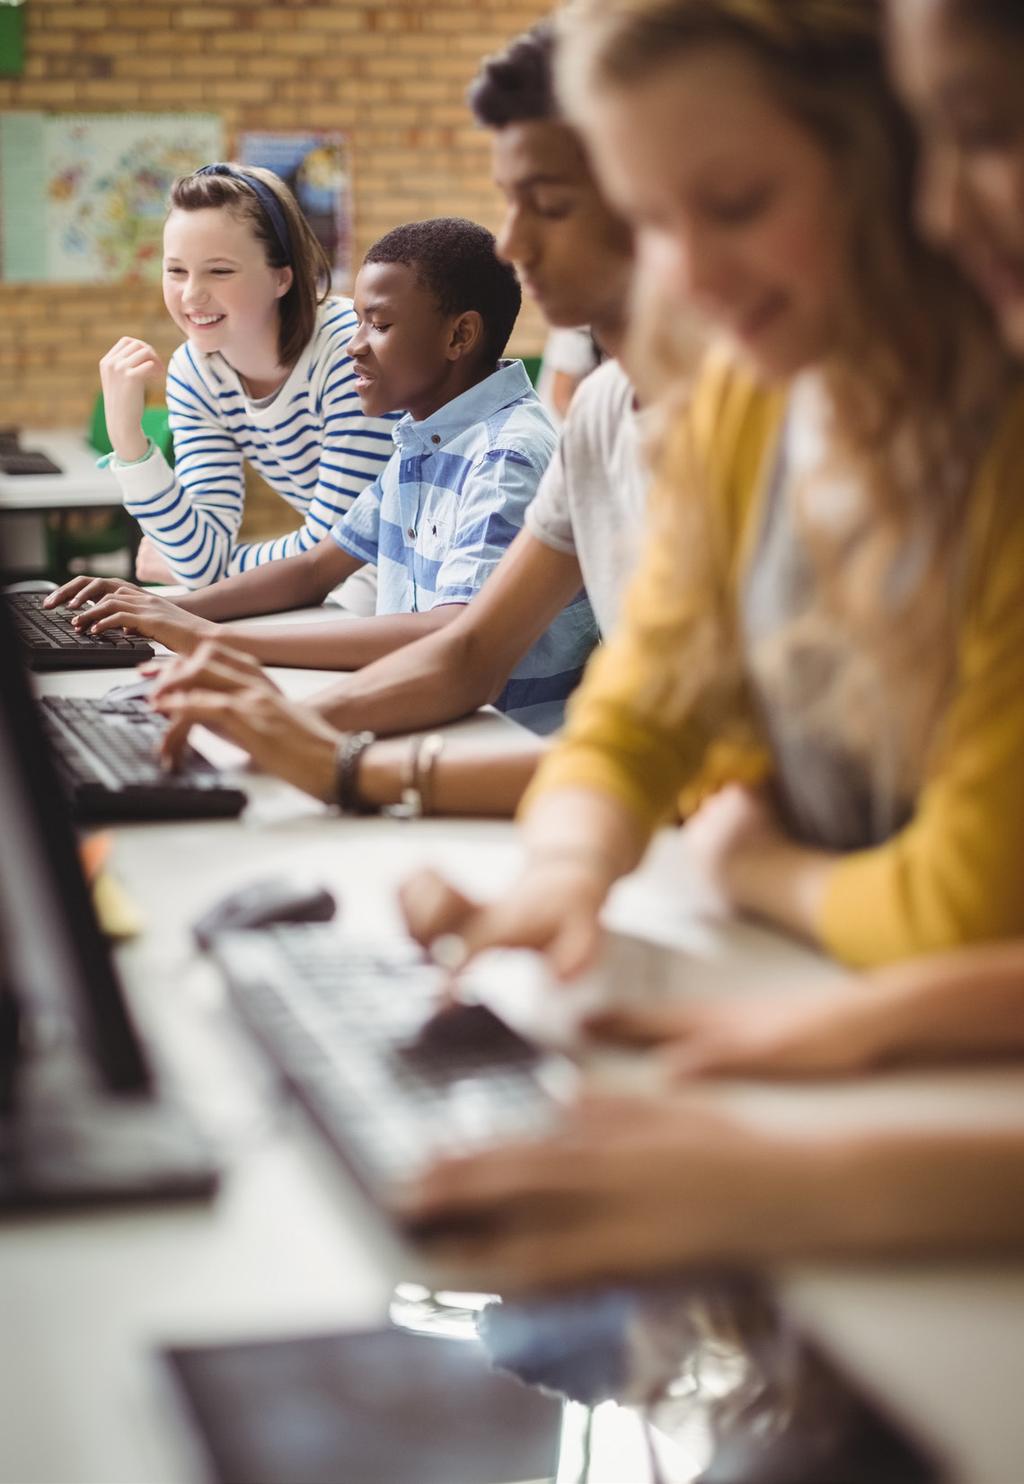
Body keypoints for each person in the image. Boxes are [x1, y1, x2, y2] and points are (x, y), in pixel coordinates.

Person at [390, 0, 1024, 1290]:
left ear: (882, 157)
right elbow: (644, 701)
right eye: (655, 220)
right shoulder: (746, 394)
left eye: (733, 204)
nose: (687, 273)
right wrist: (564, 871)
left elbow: (971, 900)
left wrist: (758, 868)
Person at [138, 25, 648, 803]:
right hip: (502, 759)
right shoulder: (586, 416)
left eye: (546, 205)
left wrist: (233, 655)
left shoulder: (517, 446)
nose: (511, 241)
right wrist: (239, 679)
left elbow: (459, 643)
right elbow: (462, 646)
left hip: (520, 762)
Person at [47, 218, 597, 735]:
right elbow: (315, 567)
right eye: (357, 321)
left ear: (459, 337)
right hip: (436, 715)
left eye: (378, 325)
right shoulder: (423, 438)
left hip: (505, 739)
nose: (356, 345)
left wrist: (216, 640)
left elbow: (450, 630)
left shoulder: (506, 457)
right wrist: (167, 610)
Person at [95, 163, 395, 608]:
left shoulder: (348, 351)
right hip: (357, 580)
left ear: (282, 277)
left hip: (436, 579)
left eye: (219, 271)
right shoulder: (196, 372)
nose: (191, 295)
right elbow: (201, 562)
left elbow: (331, 553)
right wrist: (129, 444)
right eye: (176, 271)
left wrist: (214, 569)